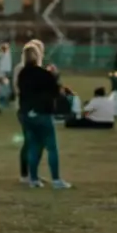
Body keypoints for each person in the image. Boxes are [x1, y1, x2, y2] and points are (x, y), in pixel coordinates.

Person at [15, 40, 67, 188]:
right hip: (42, 113)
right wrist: (55, 75)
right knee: (51, 147)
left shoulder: (22, 74)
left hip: (26, 113)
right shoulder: (44, 74)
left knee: (32, 146)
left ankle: (33, 179)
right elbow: (56, 92)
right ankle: (56, 180)